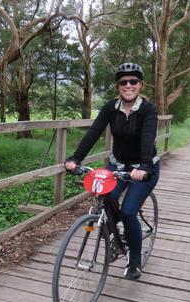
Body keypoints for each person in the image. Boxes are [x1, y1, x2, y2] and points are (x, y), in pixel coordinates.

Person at [64, 62, 160, 281]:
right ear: (118, 86)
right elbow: (94, 132)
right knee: (105, 201)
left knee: (128, 211)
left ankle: (134, 260)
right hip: (117, 165)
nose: (128, 85)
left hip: (143, 169)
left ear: (140, 85)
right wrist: (76, 158)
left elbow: (147, 139)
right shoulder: (110, 107)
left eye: (133, 81)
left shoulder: (148, 109)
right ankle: (117, 239)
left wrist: (144, 167)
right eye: (123, 82)